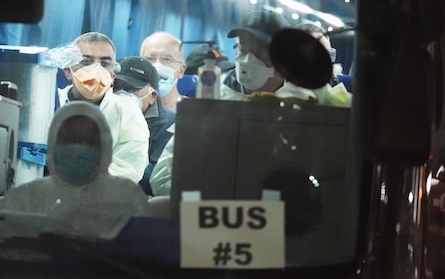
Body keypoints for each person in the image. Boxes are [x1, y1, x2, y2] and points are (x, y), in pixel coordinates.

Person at [149, 11, 347, 197]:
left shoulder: (311, 103)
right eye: (242, 49)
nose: (248, 60)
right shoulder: (214, 103)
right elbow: (162, 178)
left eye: (261, 51)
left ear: (284, 57)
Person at [3, 102, 149, 235]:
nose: (78, 149)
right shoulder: (24, 199)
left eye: (88, 141)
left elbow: (142, 249)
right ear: (54, 144)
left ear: (104, 147)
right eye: (70, 140)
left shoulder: (127, 195)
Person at [57, 32, 149, 182]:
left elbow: (128, 170)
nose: (96, 70)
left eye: (105, 63)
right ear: (68, 71)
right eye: (86, 62)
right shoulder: (49, 103)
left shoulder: (128, 113)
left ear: (112, 75)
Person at [113, 56, 175, 195]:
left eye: (131, 89)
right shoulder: (105, 113)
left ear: (152, 95)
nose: (121, 94)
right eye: (117, 87)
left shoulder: (169, 125)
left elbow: (155, 177)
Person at [140, 31, 186, 110]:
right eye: (150, 58)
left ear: (181, 70)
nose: (157, 67)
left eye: (167, 59)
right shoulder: (131, 110)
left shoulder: (193, 112)